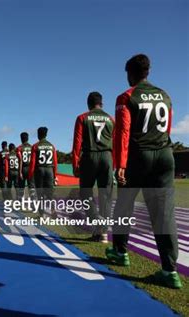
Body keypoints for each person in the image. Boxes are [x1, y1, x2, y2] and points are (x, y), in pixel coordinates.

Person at [106, 54, 182, 289]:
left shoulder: (127, 96)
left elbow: (123, 132)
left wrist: (120, 164)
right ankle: (170, 270)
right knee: (164, 213)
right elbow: (167, 127)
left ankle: (120, 251)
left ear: (130, 73)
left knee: (124, 204)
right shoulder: (165, 96)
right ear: (148, 72)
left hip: (139, 156)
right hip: (164, 155)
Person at [72, 92, 114, 243]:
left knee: (85, 193)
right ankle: (103, 233)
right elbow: (115, 142)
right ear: (101, 104)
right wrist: (114, 164)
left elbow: (77, 143)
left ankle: (97, 222)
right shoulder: (110, 119)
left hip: (89, 157)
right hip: (107, 157)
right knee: (106, 196)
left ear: (88, 104)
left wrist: (75, 163)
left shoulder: (82, 118)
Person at [28, 127, 58, 216]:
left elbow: (32, 162)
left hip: (39, 170)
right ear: (46, 134)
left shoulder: (35, 146)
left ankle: (42, 214)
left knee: (40, 193)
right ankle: (53, 210)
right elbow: (55, 162)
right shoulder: (52, 146)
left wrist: (30, 175)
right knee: (50, 192)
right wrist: (55, 175)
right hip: (49, 170)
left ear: (38, 135)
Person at [17, 132, 33, 198]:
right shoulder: (32, 147)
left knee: (21, 187)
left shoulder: (19, 148)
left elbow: (20, 160)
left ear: (21, 139)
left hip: (22, 168)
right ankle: (33, 202)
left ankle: (19, 203)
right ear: (28, 138)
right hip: (30, 168)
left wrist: (20, 172)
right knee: (31, 187)